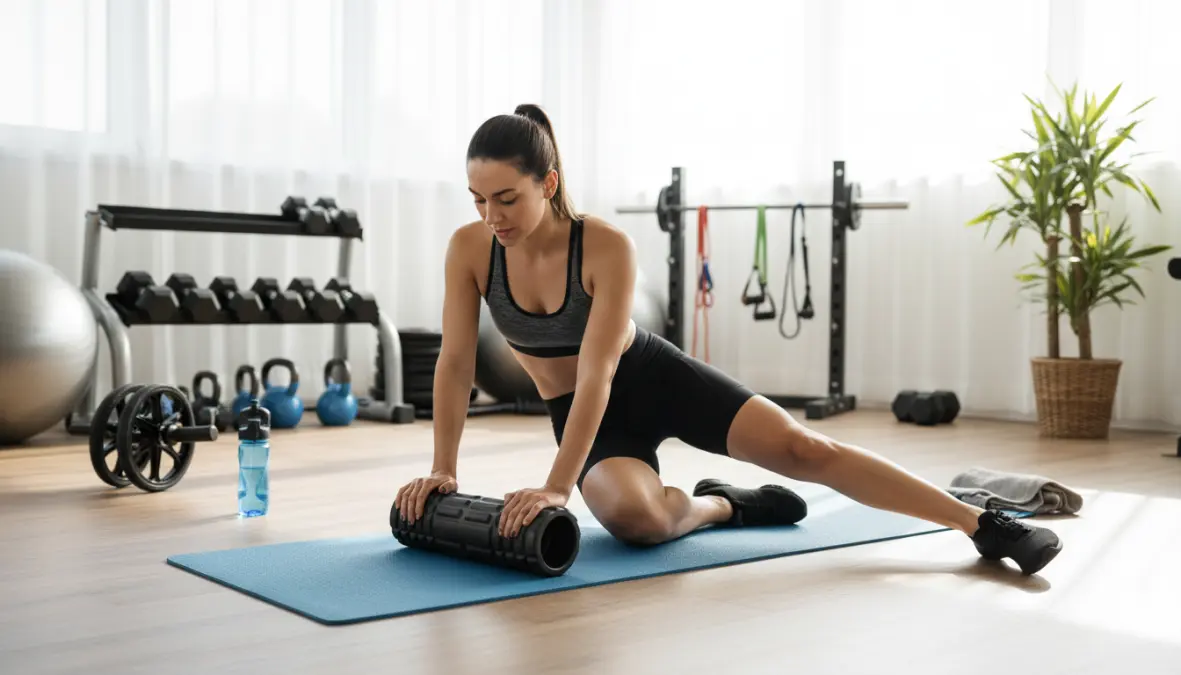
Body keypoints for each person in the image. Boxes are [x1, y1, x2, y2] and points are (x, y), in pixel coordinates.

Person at [393, 103, 1063, 576]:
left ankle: (981, 525)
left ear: (547, 182)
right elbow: (455, 363)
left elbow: (599, 370)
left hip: (647, 377)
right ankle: (723, 504)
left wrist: (555, 488)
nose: (490, 215)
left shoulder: (604, 246)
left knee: (805, 445)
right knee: (639, 522)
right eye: (478, 198)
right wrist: (444, 467)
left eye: (505, 197)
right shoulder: (470, 249)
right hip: (579, 413)